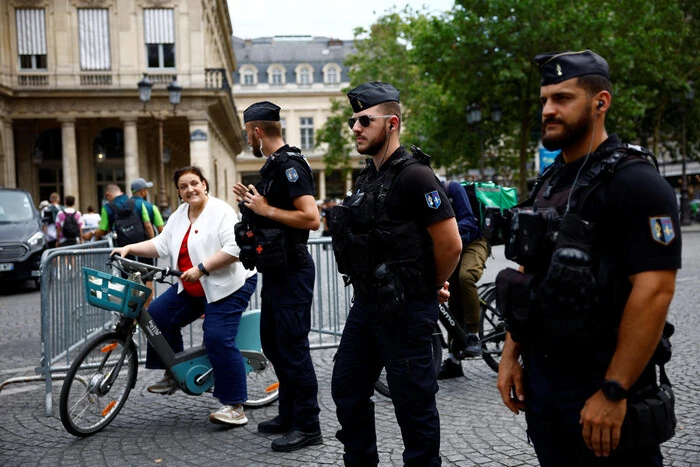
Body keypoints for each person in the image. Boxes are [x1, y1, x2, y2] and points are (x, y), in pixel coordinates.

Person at [496, 50, 681, 466]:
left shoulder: (637, 182)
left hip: (605, 380)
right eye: (544, 100)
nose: (548, 110)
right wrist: (511, 355)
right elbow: (529, 273)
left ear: (601, 102)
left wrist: (614, 391)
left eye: (562, 98)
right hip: (545, 383)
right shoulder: (549, 180)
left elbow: (655, 291)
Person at [329, 82, 462, 466]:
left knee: (412, 404)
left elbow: (450, 243)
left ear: (391, 123)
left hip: (406, 310)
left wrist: (427, 286)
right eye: (353, 120)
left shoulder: (416, 176)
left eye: (364, 120)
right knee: (347, 387)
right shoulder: (367, 176)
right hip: (368, 304)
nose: (355, 127)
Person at [112, 166, 258, 425]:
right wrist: (128, 248)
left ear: (204, 184)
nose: (190, 189)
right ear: (179, 193)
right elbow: (161, 244)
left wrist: (202, 268)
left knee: (217, 338)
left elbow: (235, 248)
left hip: (227, 284)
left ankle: (235, 405)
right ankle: (175, 373)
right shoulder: (180, 214)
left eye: (194, 183)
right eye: (183, 186)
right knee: (155, 315)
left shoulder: (221, 211)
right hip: (192, 285)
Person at [232, 101, 322, 452]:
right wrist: (255, 202)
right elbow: (275, 213)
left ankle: (309, 425)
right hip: (277, 270)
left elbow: (311, 217)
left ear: (257, 131)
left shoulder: (289, 165)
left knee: (293, 349)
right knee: (274, 345)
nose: (247, 141)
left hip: (294, 271)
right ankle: (288, 415)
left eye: (247, 134)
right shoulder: (272, 166)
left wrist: (265, 207)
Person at [437, 180, 489, 379]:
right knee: (453, 295)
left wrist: (446, 231)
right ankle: (453, 360)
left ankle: (474, 336)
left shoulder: (453, 189)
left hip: (474, 241)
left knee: (466, 277)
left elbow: (469, 220)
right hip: (452, 245)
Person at [88, 184, 155, 246]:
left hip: (122, 247)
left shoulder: (107, 208)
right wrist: (152, 243)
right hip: (141, 245)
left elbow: (103, 230)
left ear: (108, 194)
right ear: (122, 193)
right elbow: (148, 225)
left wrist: (92, 234)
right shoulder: (137, 203)